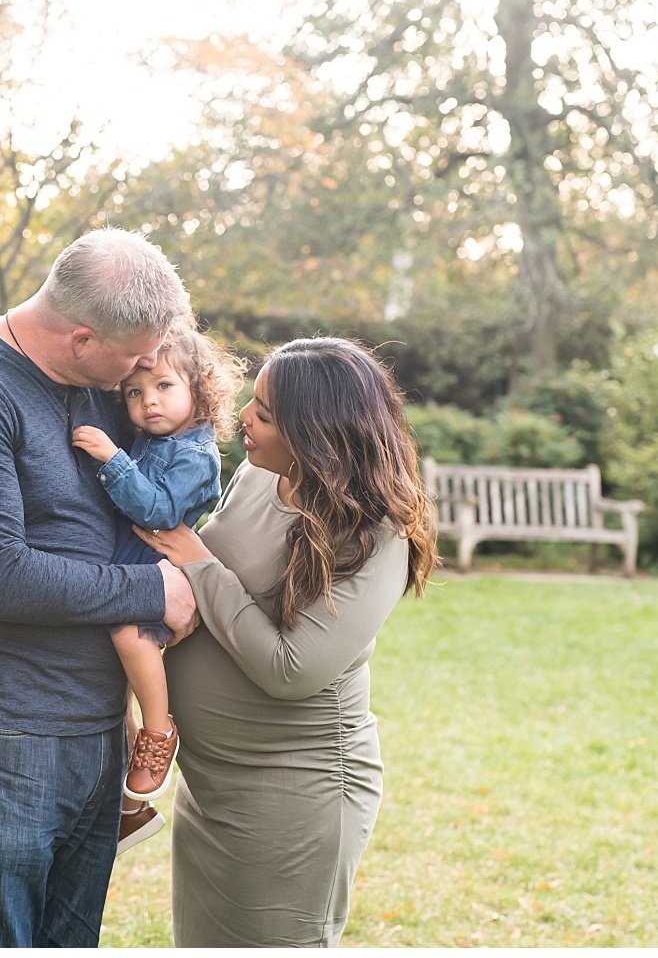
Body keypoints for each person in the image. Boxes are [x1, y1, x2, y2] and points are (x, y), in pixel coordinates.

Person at [0, 227, 200, 948]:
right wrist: (152, 592)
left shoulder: (96, 389)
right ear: (82, 337)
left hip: (96, 732)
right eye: (134, 358)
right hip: (3, 735)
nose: (146, 369)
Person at [137, 336, 439, 947]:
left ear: (319, 435)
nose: (243, 417)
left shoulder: (376, 535)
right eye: (254, 402)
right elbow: (215, 594)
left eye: (266, 414)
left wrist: (196, 561)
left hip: (293, 793)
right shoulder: (256, 474)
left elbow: (292, 668)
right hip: (213, 785)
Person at [70, 318, 245, 848]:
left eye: (164, 387)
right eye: (134, 392)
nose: (148, 402)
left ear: (200, 390)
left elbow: (159, 509)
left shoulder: (194, 454)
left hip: (158, 566)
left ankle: (160, 730)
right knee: (112, 682)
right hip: (129, 561)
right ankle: (129, 809)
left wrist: (112, 459)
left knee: (129, 636)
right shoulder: (151, 439)